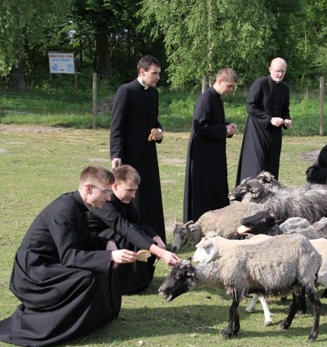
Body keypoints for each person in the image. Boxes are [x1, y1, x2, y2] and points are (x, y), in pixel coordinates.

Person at [0, 166, 138, 347]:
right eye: (105, 192)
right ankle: (62, 325)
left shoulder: (78, 205)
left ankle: (94, 319)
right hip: (33, 273)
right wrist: (110, 256)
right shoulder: (64, 210)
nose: (109, 197)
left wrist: (106, 244)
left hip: (50, 263)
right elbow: (69, 256)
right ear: (88, 188)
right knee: (88, 277)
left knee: (99, 267)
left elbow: (83, 238)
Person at [87, 165, 180, 294]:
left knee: (139, 232)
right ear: (115, 186)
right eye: (129, 190)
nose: (134, 195)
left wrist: (156, 238)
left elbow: (138, 223)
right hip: (94, 242)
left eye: (135, 190)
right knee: (129, 235)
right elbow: (125, 229)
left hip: (111, 235)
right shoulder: (104, 203)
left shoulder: (124, 201)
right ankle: (122, 283)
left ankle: (138, 281)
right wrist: (160, 252)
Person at [110, 55, 166, 243]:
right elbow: (116, 126)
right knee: (135, 196)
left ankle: (155, 236)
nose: (158, 77)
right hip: (131, 153)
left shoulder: (153, 93)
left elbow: (154, 121)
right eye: (155, 73)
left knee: (151, 194)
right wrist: (116, 154)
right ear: (142, 72)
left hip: (149, 153)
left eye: (159, 73)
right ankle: (134, 238)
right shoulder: (125, 91)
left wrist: (159, 131)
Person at [183, 68, 238, 222]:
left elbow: (214, 122)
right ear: (220, 81)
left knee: (216, 186)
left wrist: (227, 127)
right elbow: (200, 127)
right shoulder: (205, 99)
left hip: (214, 152)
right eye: (229, 86)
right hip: (203, 154)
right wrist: (223, 129)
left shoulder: (217, 98)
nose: (231, 90)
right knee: (205, 189)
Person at [236, 57, 292, 185]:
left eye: (283, 71)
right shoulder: (260, 84)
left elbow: (285, 109)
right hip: (257, 130)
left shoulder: (284, 88)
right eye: (277, 71)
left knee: (272, 166)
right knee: (256, 166)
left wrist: (287, 120)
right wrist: (269, 119)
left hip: (275, 133)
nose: (280, 74)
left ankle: (269, 196)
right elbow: (250, 106)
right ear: (270, 69)